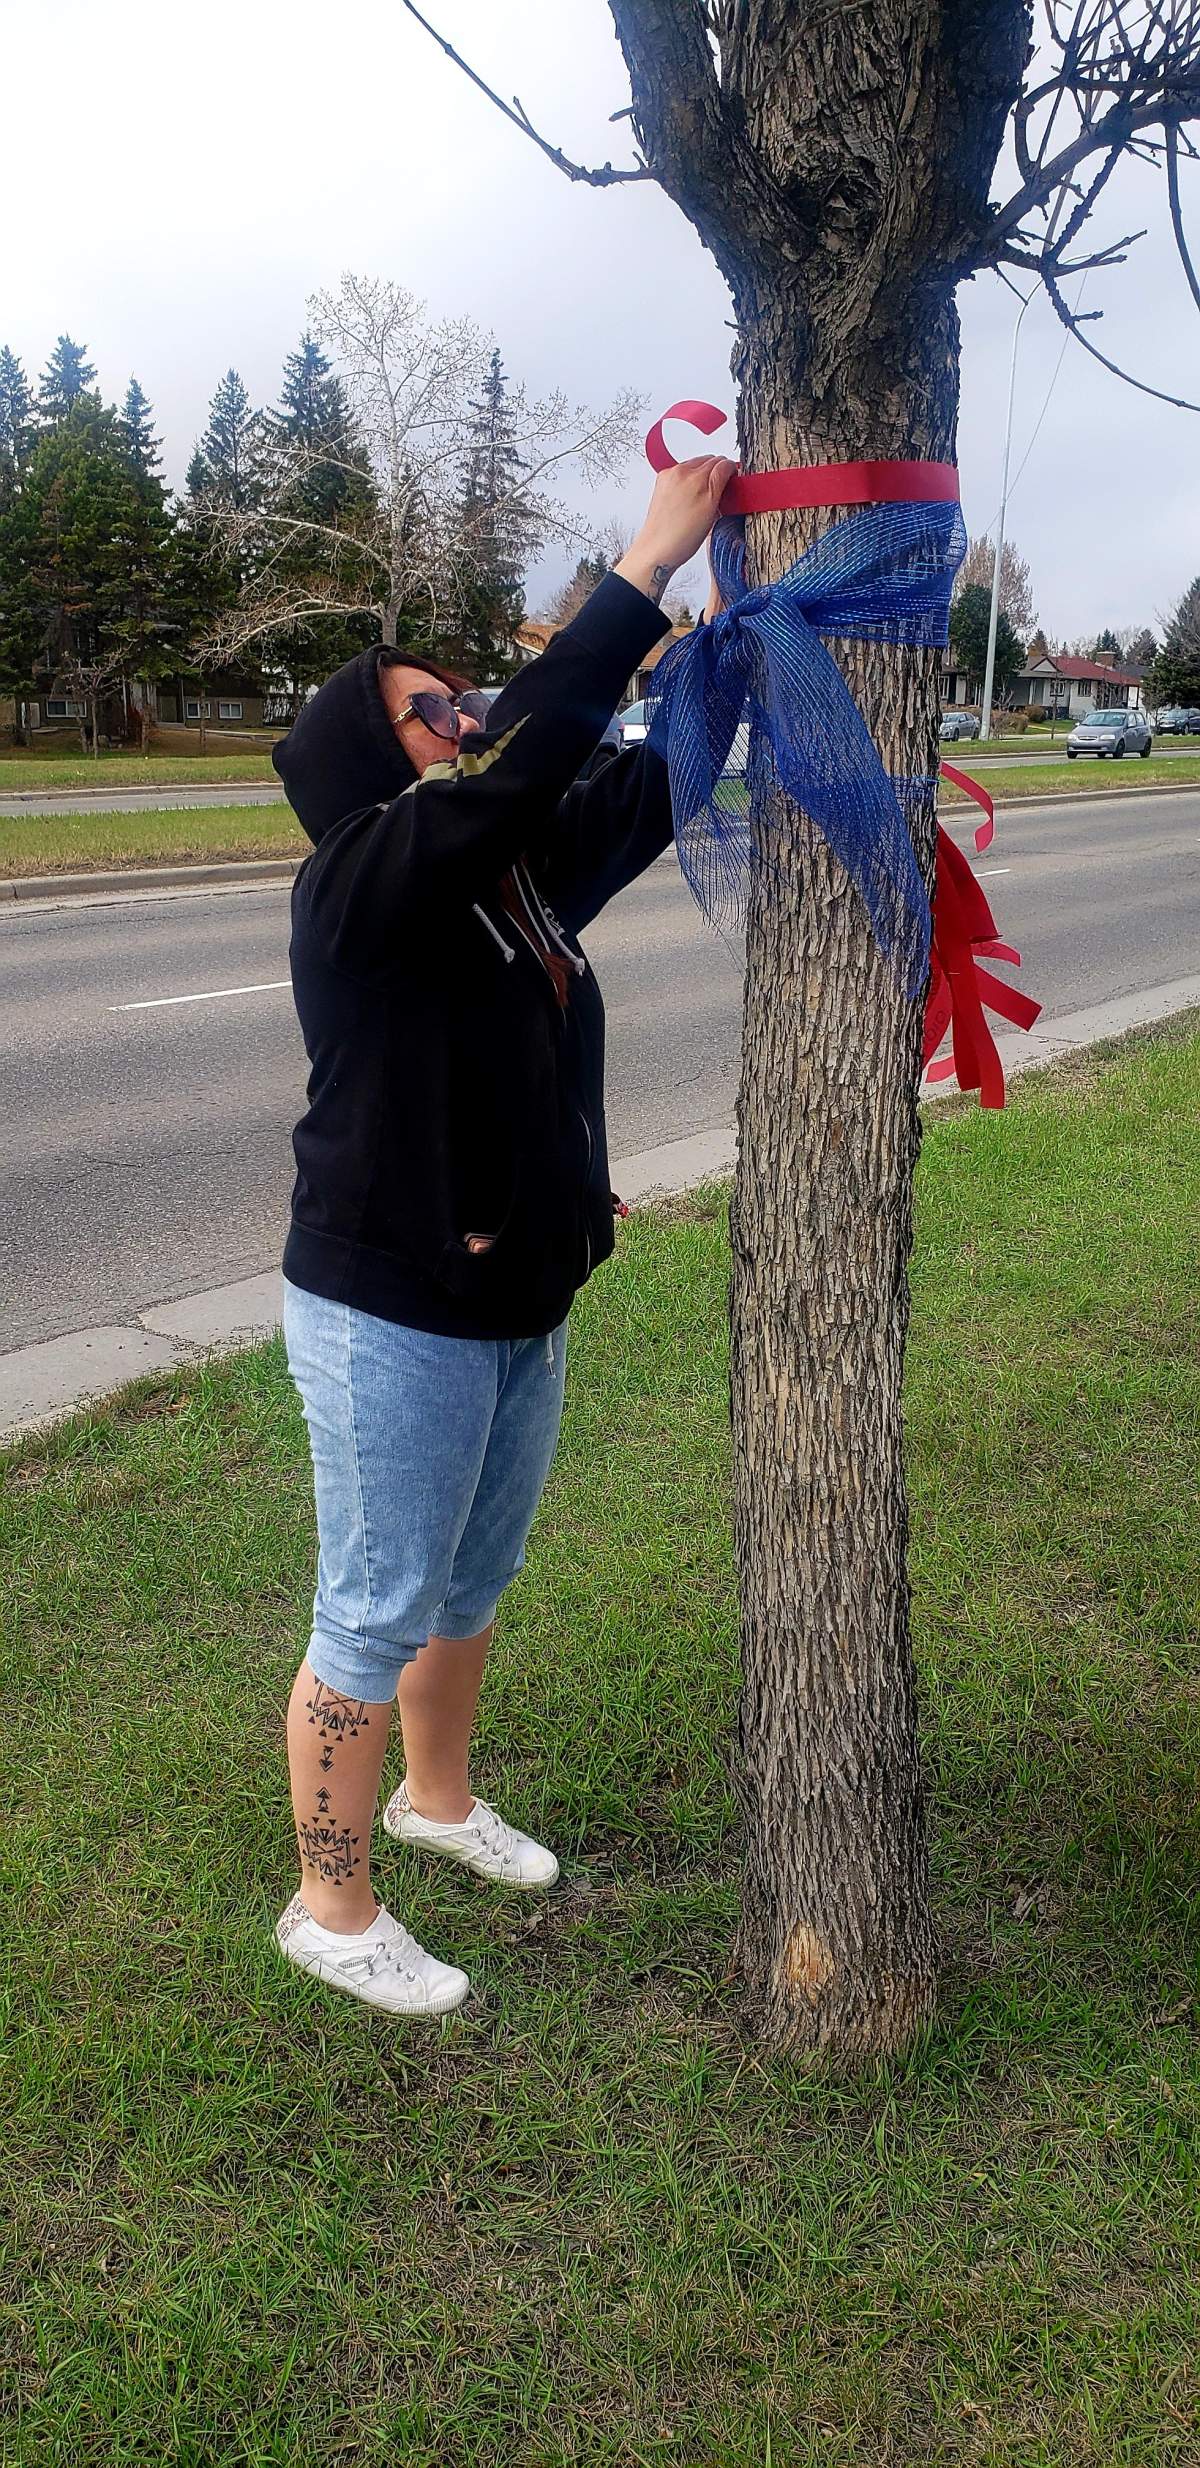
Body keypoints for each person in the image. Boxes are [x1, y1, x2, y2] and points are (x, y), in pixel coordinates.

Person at [272, 454, 734, 2017]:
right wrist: (641, 568)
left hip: (515, 1298)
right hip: (389, 1304)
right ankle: (331, 1908)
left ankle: (437, 1803)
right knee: (376, 1597)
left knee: (470, 1581)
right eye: (428, 708)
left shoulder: (508, 876)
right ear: (359, 756)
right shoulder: (363, 881)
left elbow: (650, 783)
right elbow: (525, 764)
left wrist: (728, 633)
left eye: (468, 697)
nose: (465, 717)